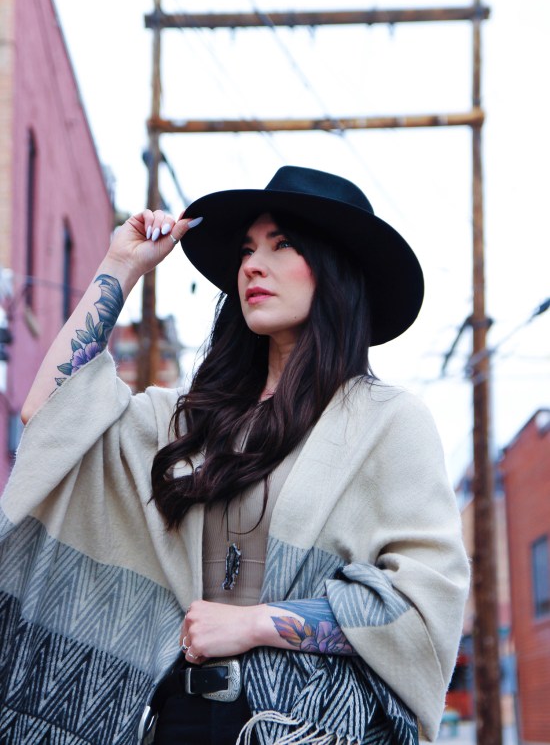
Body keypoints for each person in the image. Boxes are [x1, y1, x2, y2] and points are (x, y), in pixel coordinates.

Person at [0, 166, 469, 745]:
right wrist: (121, 266)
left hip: (304, 726)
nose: (251, 265)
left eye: (282, 245)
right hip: (175, 720)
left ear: (336, 270)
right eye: (247, 250)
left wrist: (255, 624)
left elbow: (421, 604)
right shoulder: (188, 420)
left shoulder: (388, 422)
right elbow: (50, 411)